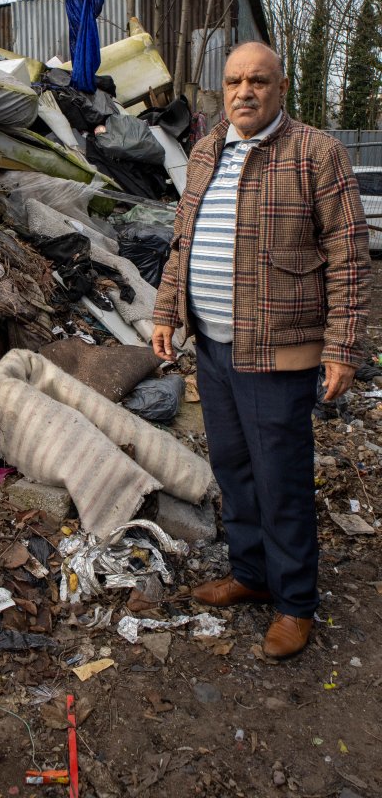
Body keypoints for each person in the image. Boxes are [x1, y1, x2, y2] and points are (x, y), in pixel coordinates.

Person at [152, 42, 371, 658]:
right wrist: (168, 311)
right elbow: (182, 241)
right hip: (214, 348)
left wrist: (343, 349)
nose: (244, 92)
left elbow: (349, 261)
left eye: (258, 81)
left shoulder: (316, 153)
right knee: (235, 470)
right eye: (234, 82)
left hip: (279, 354)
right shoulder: (205, 151)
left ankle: (296, 602)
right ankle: (251, 574)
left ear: (281, 88)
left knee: (282, 479)